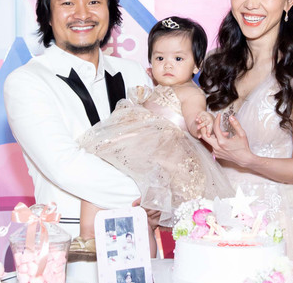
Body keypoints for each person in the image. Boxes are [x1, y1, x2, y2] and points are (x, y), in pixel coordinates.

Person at [4, 0, 153, 257]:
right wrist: (154, 194)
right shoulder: (27, 81)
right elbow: (65, 165)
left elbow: (158, 151)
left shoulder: (135, 74)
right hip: (69, 251)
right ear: (47, 15)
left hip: (139, 243)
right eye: (67, 3)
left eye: (94, 1)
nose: (82, 14)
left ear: (110, 11)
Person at [195, 0, 293, 264]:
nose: (251, 3)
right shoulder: (215, 65)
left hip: (276, 224)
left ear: (288, 1)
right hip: (217, 219)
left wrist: (248, 159)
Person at [77, 16, 233, 232]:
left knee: (146, 220)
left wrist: (201, 122)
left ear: (197, 65)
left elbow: (193, 118)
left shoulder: (190, 93)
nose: (168, 64)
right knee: (101, 184)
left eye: (178, 58)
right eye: (159, 58)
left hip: (169, 166)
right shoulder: (152, 89)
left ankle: (136, 248)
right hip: (146, 161)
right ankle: (87, 236)